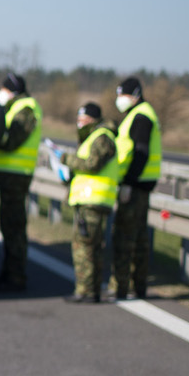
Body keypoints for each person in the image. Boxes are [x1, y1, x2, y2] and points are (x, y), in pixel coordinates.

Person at [0, 72, 41, 292]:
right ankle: (7, 273)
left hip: (16, 177)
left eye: (4, 89)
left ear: (13, 91)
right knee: (7, 225)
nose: (1, 93)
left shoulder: (26, 110)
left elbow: (10, 141)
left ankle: (16, 277)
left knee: (14, 227)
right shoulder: (14, 108)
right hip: (8, 177)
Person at [55, 103, 123, 303]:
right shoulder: (95, 137)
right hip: (90, 198)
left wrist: (67, 159)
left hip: (92, 199)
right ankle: (91, 290)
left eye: (83, 118)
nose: (80, 121)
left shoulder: (101, 137)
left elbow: (92, 164)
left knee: (84, 247)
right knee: (92, 246)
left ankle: (85, 291)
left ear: (92, 119)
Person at [109, 76, 162, 299]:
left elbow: (140, 153)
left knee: (124, 238)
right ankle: (138, 287)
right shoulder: (138, 114)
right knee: (139, 239)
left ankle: (120, 288)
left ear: (135, 95)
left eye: (123, 95)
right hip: (140, 186)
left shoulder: (141, 117)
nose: (119, 100)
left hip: (135, 187)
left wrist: (128, 183)